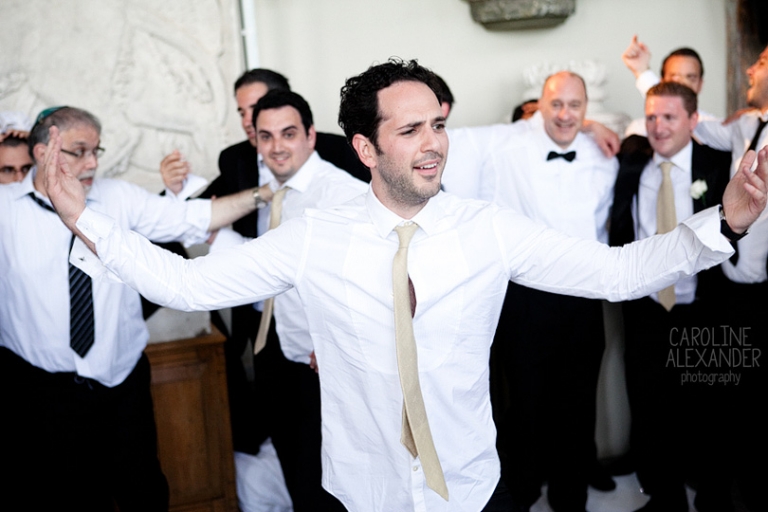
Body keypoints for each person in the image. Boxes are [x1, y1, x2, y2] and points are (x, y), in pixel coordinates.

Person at [44, 59, 766, 512]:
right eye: (412, 129)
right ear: (365, 148)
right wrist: (87, 220)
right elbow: (187, 283)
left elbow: (615, 271)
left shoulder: (488, 228)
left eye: (440, 125)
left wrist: (725, 222)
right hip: (360, 491)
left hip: (476, 489)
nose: (435, 143)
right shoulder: (315, 236)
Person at [0, 106, 262, 511]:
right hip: (42, 390)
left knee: (143, 490)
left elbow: (193, 216)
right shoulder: (5, 208)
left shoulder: (117, 197)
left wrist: (266, 193)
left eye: (96, 150)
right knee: (62, 495)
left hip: (122, 383)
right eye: (79, 151)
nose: (92, 162)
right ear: (41, 152)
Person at [214, 89, 367, 510]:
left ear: (310, 136)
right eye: (266, 137)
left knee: (329, 482)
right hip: (271, 352)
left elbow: (371, 277)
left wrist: (338, 339)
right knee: (296, 476)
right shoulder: (262, 193)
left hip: (324, 361)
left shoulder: (342, 195)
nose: (277, 147)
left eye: (288, 134)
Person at [476, 71, 618, 512]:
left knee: (578, 406)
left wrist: (592, 127)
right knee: (526, 405)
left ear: (586, 109)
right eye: (555, 104)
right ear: (539, 107)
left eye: (575, 106)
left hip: (582, 297)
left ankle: (570, 497)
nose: (565, 114)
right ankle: (523, 492)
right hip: (525, 299)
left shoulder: (603, 156)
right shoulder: (508, 149)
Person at [610, 82, 732, 512]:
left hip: (704, 308)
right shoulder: (632, 160)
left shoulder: (718, 164)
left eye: (669, 117)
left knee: (709, 410)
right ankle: (666, 499)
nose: (658, 127)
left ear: (693, 121)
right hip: (645, 309)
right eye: (651, 117)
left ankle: (715, 497)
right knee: (649, 406)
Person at [686, 44, 768, 512]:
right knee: (729, 395)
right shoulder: (742, 125)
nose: (750, 68)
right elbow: (687, 121)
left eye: (761, 61)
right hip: (731, 291)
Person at [621, 35, 719, 137]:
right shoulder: (639, 131)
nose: (682, 85)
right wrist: (641, 70)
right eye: (675, 77)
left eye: (691, 78)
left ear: (700, 84)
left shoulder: (715, 130)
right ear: (662, 82)